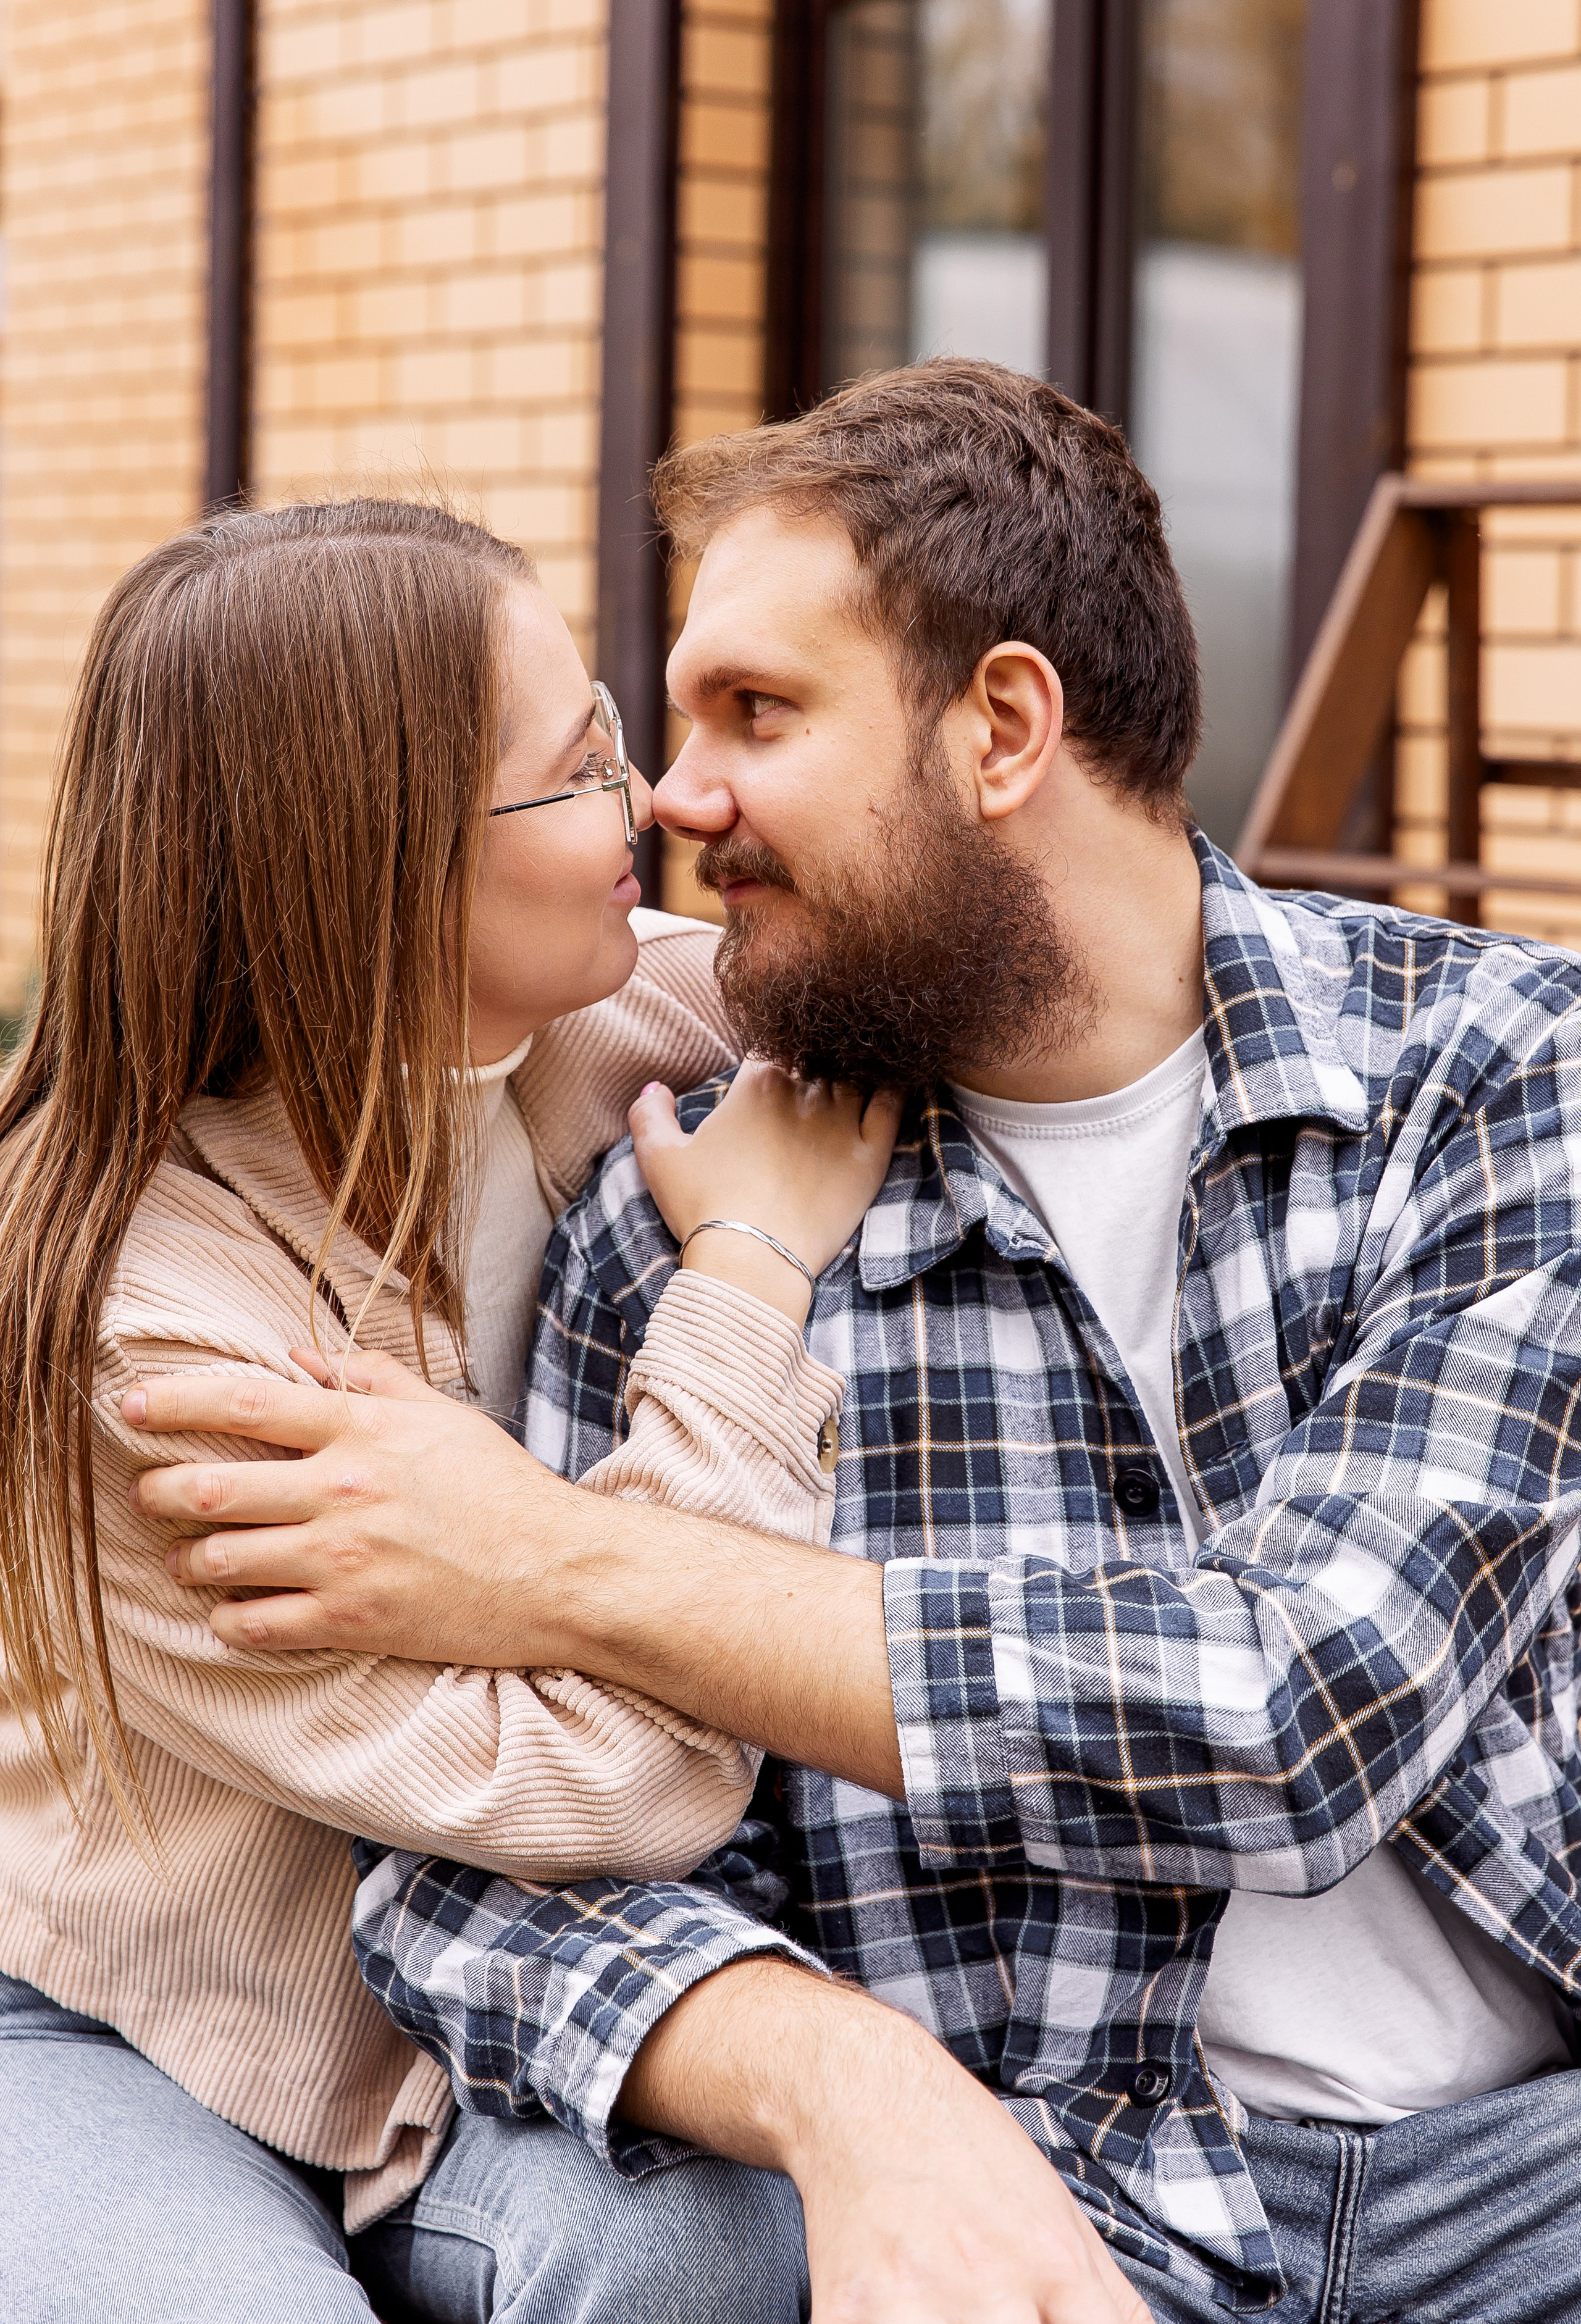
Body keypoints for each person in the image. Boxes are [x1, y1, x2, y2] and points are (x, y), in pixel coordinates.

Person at [130, 362, 1581, 2324]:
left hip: (1526, 2157)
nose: (675, 797)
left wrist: (554, 1562)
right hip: (1043, 2194)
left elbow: (1309, 1699)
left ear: (1002, 727)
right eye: (658, 725)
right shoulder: (701, 1211)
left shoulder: (1493, 1073)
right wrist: (854, 2087)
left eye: (757, 713)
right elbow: (476, 1892)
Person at [0, 495, 907, 2318]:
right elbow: (613, 1773)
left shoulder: (591, 1032)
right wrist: (743, 1280)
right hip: (139, 2016)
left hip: (488, 1989)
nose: (652, 806)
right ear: (384, 861)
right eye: (586, 768)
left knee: (706, 2249)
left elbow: (981, 966)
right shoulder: (143, 1335)